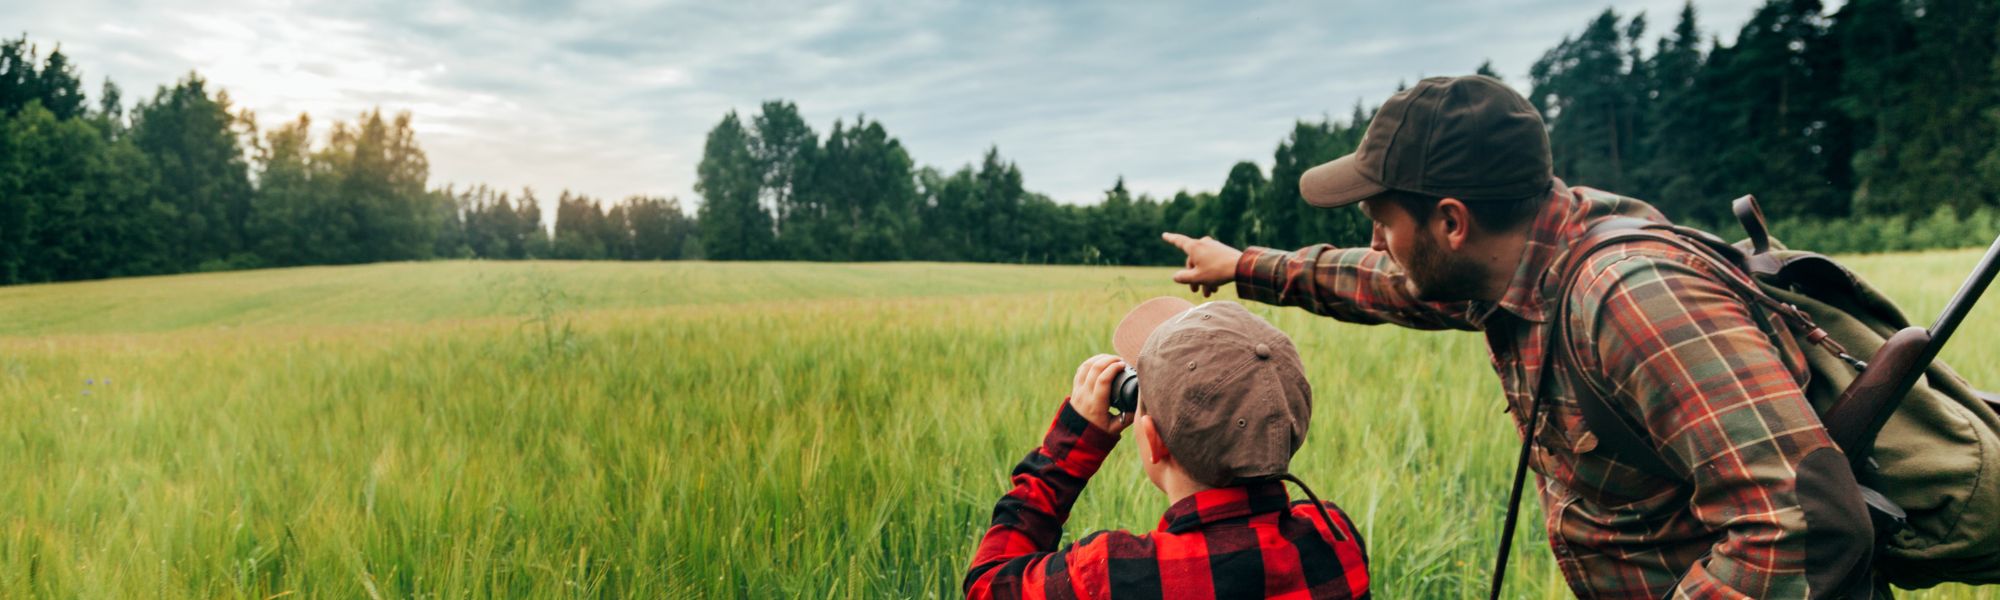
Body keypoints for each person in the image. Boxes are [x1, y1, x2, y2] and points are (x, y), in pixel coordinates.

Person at [1162, 75, 1875, 599]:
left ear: (1450, 221)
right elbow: (1381, 282)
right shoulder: (1512, 262)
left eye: (1383, 220)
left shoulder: (1631, 301)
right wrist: (1244, 267)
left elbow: (1800, 523)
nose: (1377, 241)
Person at [963, 299, 1370, 599]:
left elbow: (986, 586)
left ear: (1154, 441)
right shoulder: (1335, 537)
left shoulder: (1110, 576)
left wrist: (1070, 447)